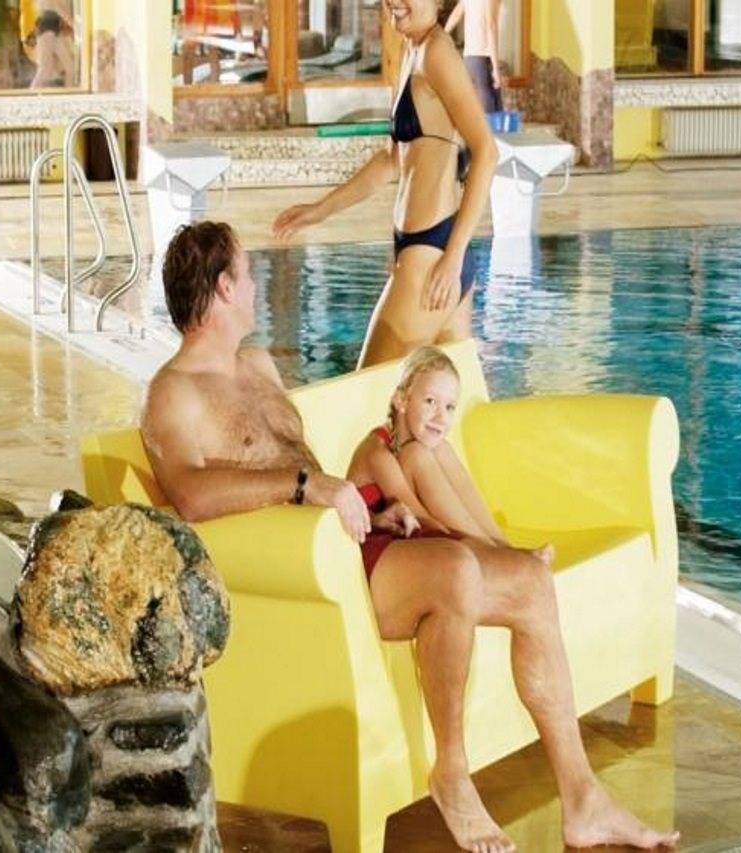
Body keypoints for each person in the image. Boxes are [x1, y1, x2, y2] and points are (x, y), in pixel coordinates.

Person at [141, 221, 681, 853]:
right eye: (248, 272)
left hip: (351, 542)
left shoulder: (257, 366)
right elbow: (190, 493)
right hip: (307, 568)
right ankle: (451, 772)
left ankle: (583, 800)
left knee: (531, 581)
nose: (258, 284)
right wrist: (307, 486)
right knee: (453, 569)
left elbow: (294, 462)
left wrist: (369, 506)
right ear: (225, 287)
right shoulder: (171, 393)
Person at [273, 0, 498, 369]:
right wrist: (320, 211)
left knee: (370, 387)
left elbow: (486, 151)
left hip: (433, 257)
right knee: (449, 401)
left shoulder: (437, 53)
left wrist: (452, 256)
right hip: (431, 251)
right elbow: (391, 161)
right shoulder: (413, 51)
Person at [346, 345, 553, 573]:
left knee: (439, 447)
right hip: (380, 552)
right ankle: (496, 554)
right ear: (402, 400)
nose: (441, 417)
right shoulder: (378, 454)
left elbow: (456, 498)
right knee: (416, 454)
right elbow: (422, 519)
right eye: (430, 401)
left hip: (415, 537)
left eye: (450, 407)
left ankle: (504, 546)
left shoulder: (421, 446)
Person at [444, 0, 503, 115]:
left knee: (477, 114)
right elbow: (491, 26)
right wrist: (496, 69)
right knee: (491, 115)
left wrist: (442, 35)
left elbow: (456, 14)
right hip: (483, 59)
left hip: (469, 59)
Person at [29, 0, 76, 89]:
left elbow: (60, 10)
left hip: (53, 30)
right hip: (47, 30)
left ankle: (69, 92)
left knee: (69, 66)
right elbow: (60, 10)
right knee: (45, 68)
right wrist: (76, 26)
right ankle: (31, 94)